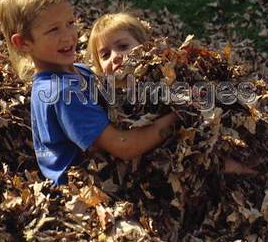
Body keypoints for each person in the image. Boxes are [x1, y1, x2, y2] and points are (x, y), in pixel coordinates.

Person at [0, 0, 178, 185]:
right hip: (84, 190)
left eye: (70, 23)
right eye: (53, 29)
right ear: (23, 42)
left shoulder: (79, 71)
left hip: (105, 171)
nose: (68, 36)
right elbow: (124, 146)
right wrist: (177, 116)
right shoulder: (62, 92)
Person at [88, 12, 258, 176]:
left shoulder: (168, 77)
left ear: (146, 47)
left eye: (123, 46)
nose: (115, 57)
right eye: (105, 55)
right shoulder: (107, 100)